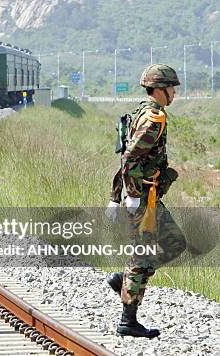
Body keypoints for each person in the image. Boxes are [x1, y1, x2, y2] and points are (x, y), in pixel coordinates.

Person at [105, 64, 186, 338]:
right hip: (144, 199)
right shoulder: (153, 119)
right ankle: (128, 319)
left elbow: (127, 156)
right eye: (172, 88)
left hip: (142, 196)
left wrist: (118, 197)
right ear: (161, 89)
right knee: (144, 255)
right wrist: (130, 198)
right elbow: (129, 158)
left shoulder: (143, 111)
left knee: (170, 244)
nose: (174, 93)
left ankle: (124, 281)